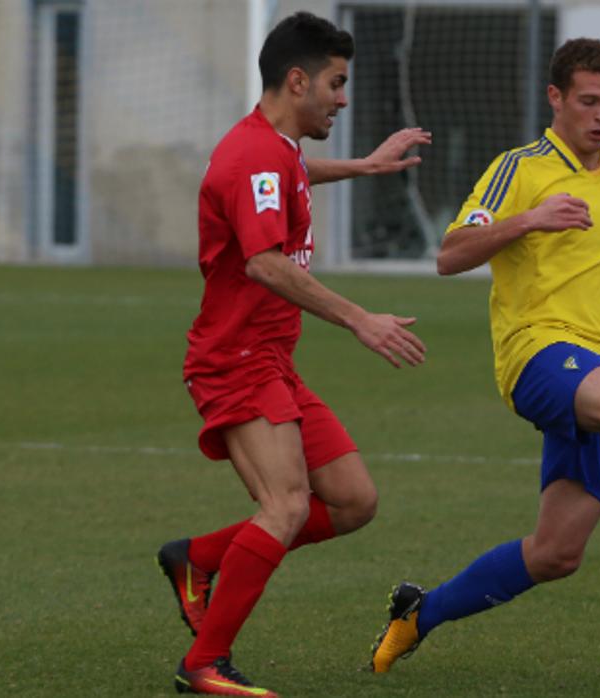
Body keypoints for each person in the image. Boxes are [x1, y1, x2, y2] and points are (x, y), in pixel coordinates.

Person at [368, 38, 600, 673]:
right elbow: (450, 254)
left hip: (595, 365)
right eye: (589, 101)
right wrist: (528, 220)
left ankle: (417, 614)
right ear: (556, 98)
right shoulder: (521, 168)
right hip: (535, 352)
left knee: (555, 554)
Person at [155, 12, 431, 697]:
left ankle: (199, 558)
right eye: (336, 84)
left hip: (271, 359)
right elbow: (265, 264)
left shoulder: (274, 150)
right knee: (283, 505)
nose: (343, 97)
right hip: (235, 360)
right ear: (298, 79)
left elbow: (294, 174)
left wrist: (365, 165)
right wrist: (358, 318)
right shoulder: (252, 157)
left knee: (353, 501)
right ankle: (205, 664)